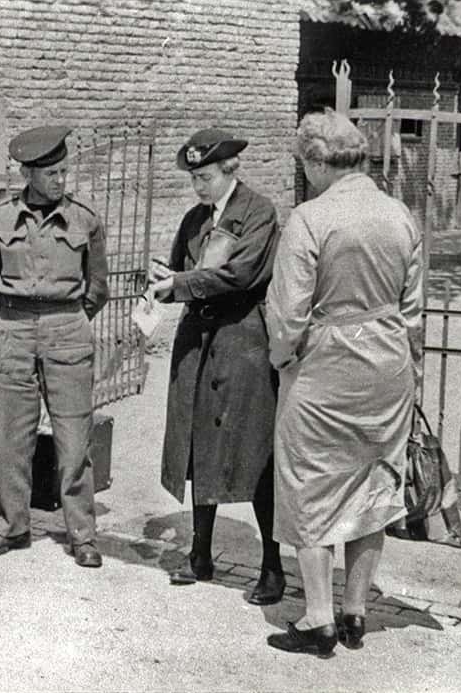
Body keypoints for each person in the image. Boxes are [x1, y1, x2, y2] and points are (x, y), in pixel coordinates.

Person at [264, 108, 422, 656]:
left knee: (310, 484)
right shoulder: (399, 214)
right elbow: (414, 311)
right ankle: (355, 612)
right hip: (387, 367)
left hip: (325, 367)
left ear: (314, 160)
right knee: (373, 483)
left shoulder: (310, 218)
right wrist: (404, 366)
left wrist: (284, 361)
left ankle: (318, 618)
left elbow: (286, 317)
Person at [146, 128, 284, 605]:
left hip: (242, 339)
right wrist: (165, 278)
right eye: (194, 179)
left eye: (204, 177)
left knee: (255, 449)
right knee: (198, 440)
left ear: (231, 170)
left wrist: (180, 282)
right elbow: (180, 267)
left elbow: (241, 274)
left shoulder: (259, 213)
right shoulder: (194, 218)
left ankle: (272, 565)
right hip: (197, 341)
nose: (198, 187)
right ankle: (199, 553)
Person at [0, 125, 109, 568]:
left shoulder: (84, 220)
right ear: (28, 173)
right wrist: (8, 320)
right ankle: (11, 526)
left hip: (67, 326)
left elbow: (97, 288)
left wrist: (68, 320)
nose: (60, 180)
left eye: (64, 171)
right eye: (51, 172)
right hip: (12, 327)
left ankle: (82, 535)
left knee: (74, 440)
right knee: (13, 437)